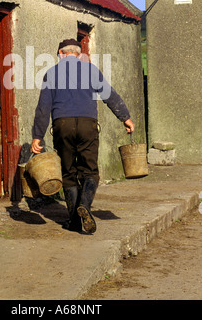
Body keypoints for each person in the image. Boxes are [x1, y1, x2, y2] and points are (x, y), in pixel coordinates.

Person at [30, 38, 134, 234]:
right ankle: (84, 205)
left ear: (60, 54)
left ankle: (74, 221)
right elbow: (110, 95)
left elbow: (43, 108)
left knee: (68, 173)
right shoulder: (91, 70)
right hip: (88, 125)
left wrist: (38, 136)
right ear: (78, 54)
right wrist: (125, 118)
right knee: (89, 170)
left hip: (62, 125)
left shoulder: (52, 73)